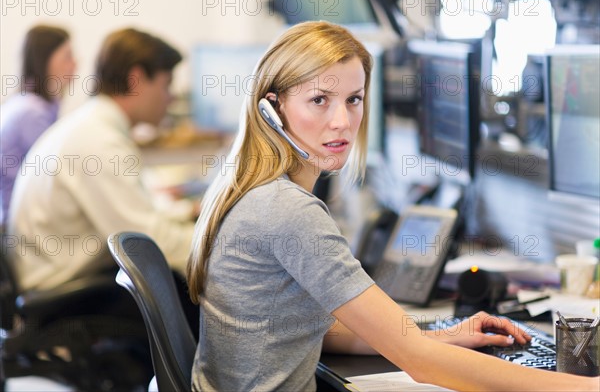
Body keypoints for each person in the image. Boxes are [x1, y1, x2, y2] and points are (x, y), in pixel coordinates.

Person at [186, 21, 597, 391]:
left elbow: (313, 329)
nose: (342, 122)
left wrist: (439, 337)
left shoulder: (251, 189)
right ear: (271, 108)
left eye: (353, 99)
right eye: (319, 100)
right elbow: (420, 365)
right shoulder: (288, 210)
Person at [7, 28, 195, 299]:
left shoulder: (95, 125)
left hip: (59, 273)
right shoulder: (99, 141)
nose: (171, 98)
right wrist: (219, 250)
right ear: (136, 80)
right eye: (166, 85)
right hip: (61, 289)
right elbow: (149, 242)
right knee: (183, 294)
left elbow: (139, 216)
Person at [1, 25, 76, 225]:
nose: (75, 64)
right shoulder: (32, 113)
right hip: (19, 225)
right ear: (45, 60)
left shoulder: (30, 104)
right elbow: (54, 177)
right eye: (67, 56)